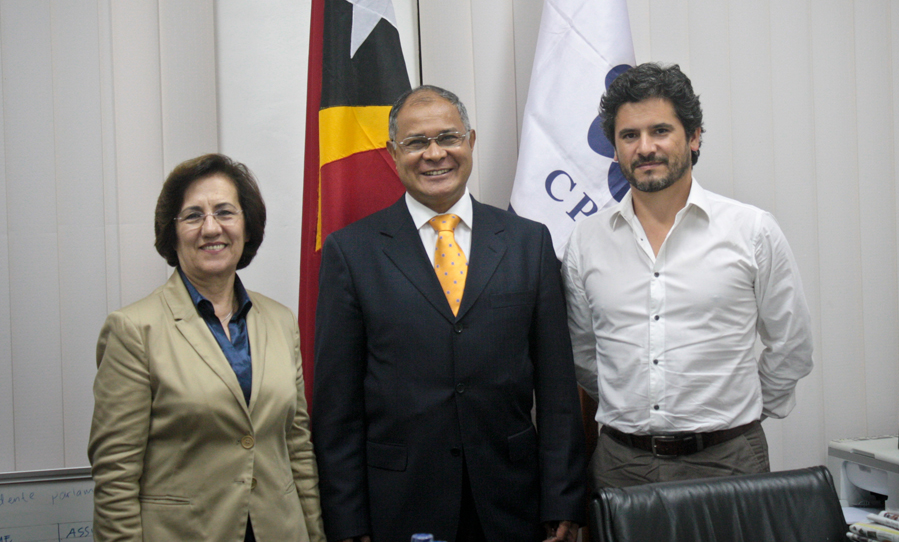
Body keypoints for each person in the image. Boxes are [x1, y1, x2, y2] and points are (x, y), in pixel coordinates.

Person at [312, 85, 587, 542]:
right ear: (393, 153)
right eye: (417, 142)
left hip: (512, 499)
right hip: (398, 504)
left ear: (471, 142)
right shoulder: (352, 252)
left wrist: (561, 498)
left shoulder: (528, 243)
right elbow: (336, 406)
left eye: (449, 138)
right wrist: (347, 519)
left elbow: (557, 389)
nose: (435, 154)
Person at [563, 63, 814, 490]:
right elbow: (585, 353)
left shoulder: (751, 231)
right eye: (629, 135)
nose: (645, 147)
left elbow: (791, 346)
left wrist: (735, 417)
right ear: (615, 147)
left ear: (694, 136)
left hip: (729, 461)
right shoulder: (586, 240)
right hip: (621, 465)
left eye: (660, 131)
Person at [88, 154, 326, 542]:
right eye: (193, 215)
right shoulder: (134, 331)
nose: (211, 228)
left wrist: (315, 535)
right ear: (173, 232)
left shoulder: (281, 322)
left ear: (247, 227)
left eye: (225, 212)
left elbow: (297, 448)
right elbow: (116, 474)